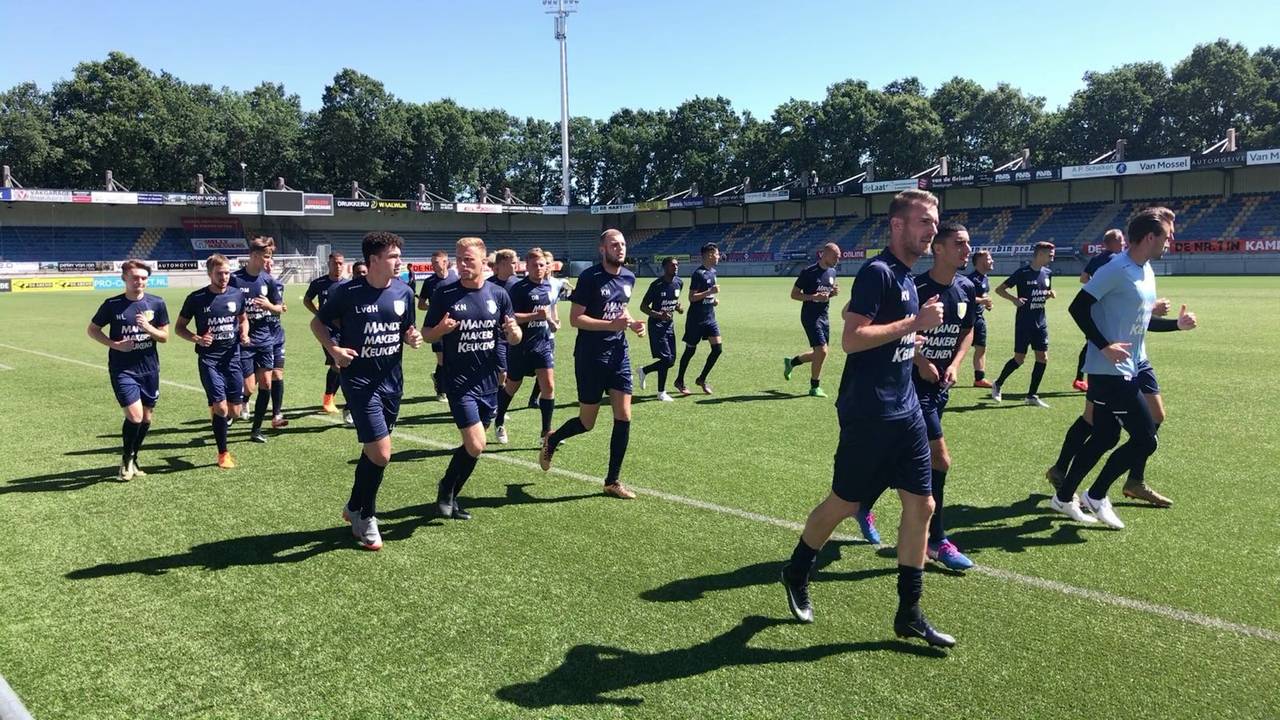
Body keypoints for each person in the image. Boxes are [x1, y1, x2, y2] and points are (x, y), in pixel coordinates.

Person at [779, 189, 954, 648]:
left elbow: (894, 340)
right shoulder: (878, 272)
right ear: (897, 225)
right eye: (923, 222)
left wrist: (917, 357)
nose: (931, 230)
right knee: (844, 503)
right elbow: (853, 340)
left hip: (907, 409)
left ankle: (909, 612)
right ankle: (797, 569)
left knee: (923, 504)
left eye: (934, 223)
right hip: (870, 413)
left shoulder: (907, 278)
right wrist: (913, 326)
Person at [1050, 208, 1196, 526]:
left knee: (1105, 436)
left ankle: (1063, 498)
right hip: (1110, 368)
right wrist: (1104, 345)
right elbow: (1078, 307)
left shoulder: (1146, 271)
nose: (1171, 241)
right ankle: (1096, 494)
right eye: (1167, 236)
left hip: (1134, 363)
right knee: (1144, 439)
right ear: (1149, 237)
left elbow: (1139, 324)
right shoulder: (1117, 268)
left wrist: (1176, 326)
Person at [312, 232, 423, 550]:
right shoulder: (346, 293)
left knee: (373, 452)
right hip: (360, 383)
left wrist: (411, 338)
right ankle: (367, 516)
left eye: (399, 255)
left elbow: (407, 329)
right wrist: (334, 350)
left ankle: (352, 506)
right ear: (373, 260)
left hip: (392, 382)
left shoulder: (404, 291)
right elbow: (318, 325)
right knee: (383, 453)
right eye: (392, 256)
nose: (399, 261)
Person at [539, 229, 646, 500]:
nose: (620, 248)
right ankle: (552, 439)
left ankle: (612, 481)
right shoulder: (590, 278)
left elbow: (620, 308)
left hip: (618, 354)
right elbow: (576, 319)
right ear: (602, 249)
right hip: (590, 356)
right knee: (587, 423)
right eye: (614, 244)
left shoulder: (629, 277)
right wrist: (611, 324)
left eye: (622, 244)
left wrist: (632, 324)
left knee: (624, 416)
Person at [423, 237, 522, 519]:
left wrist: (514, 333)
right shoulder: (445, 293)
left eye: (468, 260)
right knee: (477, 443)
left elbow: (514, 336)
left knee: (473, 447)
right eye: (459, 259)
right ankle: (446, 489)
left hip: (489, 382)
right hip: (459, 382)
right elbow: (427, 333)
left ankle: (451, 492)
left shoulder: (498, 295)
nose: (463, 265)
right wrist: (441, 328)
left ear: (483, 262)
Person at [908, 222, 977, 569]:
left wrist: (957, 364)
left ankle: (862, 501)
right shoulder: (917, 287)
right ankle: (937, 540)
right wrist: (920, 360)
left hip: (941, 388)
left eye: (968, 245)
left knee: (907, 459)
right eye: (960, 245)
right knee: (940, 459)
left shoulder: (965, 287)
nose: (967, 251)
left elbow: (967, 332)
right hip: (912, 387)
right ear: (938, 249)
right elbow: (898, 333)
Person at [86, 259, 170, 481]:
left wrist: (148, 328)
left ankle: (134, 457)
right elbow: (93, 330)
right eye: (134, 277)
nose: (139, 282)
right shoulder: (112, 304)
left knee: (146, 418)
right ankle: (126, 458)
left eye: (143, 278)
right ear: (124, 278)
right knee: (135, 415)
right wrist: (115, 345)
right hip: (123, 369)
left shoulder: (157, 303)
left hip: (150, 369)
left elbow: (164, 337)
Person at [175, 254, 249, 470]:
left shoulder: (237, 295)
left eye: (227, 273)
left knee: (236, 412)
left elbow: (243, 319)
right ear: (209, 274)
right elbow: (179, 328)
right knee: (221, 409)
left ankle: (216, 408)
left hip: (233, 358)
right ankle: (223, 453)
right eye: (219, 273)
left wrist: (244, 334)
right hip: (209, 360)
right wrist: (196, 338)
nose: (224, 277)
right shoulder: (196, 298)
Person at [495, 248, 557, 443]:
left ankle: (546, 433)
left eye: (541, 265)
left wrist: (552, 322)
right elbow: (509, 317)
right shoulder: (519, 288)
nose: (538, 268)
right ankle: (499, 421)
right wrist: (535, 316)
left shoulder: (548, 286)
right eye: (534, 265)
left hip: (543, 345)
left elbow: (548, 314)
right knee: (512, 386)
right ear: (526, 267)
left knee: (548, 386)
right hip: (520, 347)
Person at [232, 237, 286, 440]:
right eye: (266, 256)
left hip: (264, 339)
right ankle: (234, 407)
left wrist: (269, 307)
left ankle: (256, 429)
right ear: (254, 256)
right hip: (242, 341)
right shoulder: (234, 279)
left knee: (266, 384)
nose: (268, 260)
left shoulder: (269, 280)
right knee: (249, 387)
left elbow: (280, 308)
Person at [991, 241, 1056, 407]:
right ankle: (998, 383)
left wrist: (1048, 295)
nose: (1052, 257)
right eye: (1050, 255)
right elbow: (1000, 289)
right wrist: (1014, 299)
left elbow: (1041, 294)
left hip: (1040, 322)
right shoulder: (1022, 272)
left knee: (1042, 358)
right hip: (1024, 323)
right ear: (1040, 254)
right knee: (1019, 359)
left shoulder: (1048, 273)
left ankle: (1032, 395)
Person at [783, 242, 841, 397]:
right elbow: (794, 294)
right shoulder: (808, 272)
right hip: (810, 316)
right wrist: (812, 297)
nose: (838, 260)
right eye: (836, 257)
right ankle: (814, 387)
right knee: (821, 351)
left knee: (821, 353)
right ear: (826, 254)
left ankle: (792, 362)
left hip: (824, 316)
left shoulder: (832, 272)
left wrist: (832, 294)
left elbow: (826, 294)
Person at [1073, 229, 1125, 392]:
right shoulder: (1116, 260)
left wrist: (1096, 289)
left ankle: (1081, 379)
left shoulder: (1097, 258)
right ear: (1115, 241)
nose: (1124, 243)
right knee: (1101, 341)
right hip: (1109, 306)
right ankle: (1089, 378)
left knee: (1092, 340)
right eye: (1122, 240)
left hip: (1093, 303)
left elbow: (1083, 278)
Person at [674, 243, 723, 395]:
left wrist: (712, 299)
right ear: (709, 255)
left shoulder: (713, 272)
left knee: (717, 349)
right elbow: (691, 298)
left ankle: (701, 378)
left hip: (710, 317)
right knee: (690, 351)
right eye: (717, 254)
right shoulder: (698, 274)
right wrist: (710, 291)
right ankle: (679, 380)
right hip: (696, 319)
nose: (718, 256)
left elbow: (707, 296)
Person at [304, 251, 348, 414]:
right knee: (337, 364)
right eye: (335, 263)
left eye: (340, 263)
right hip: (326, 330)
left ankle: (339, 397)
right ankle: (328, 398)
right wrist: (318, 314)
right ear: (329, 264)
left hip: (345, 330)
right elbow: (307, 300)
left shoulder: (347, 285)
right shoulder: (319, 283)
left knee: (344, 364)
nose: (338, 266)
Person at [527, 251, 571, 408]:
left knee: (546, 368)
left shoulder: (556, 283)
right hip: (530, 333)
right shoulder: (532, 285)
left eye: (548, 263)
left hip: (548, 331)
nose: (546, 266)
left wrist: (555, 320)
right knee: (516, 375)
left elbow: (553, 305)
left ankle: (534, 398)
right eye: (544, 262)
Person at [637, 256, 683, 401]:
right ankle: (661, 393)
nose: (675, 267)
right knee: (666, 359)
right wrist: (658, 315)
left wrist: (677, 307)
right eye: (672, 265)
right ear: (664, 268)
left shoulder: (679, 283)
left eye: (677, 265)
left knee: (671, 361)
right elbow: (643, 306)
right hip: (656, 326)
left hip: (669, 326)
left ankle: (644, 371)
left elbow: (673, 301)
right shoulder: (656, 285)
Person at [416, 249, 458, 403]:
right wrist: (433, 308)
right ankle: (441, 390)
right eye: (432, 262)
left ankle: (441, 379)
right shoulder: (429, 282)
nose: (433, 265)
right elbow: (420, 305)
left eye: (436, 262)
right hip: (435, 327)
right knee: (442, 360)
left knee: (453, 358)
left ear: (445, 262)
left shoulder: (455, 278)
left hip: (453, 325)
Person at [262, 256, 288, 428]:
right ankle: (242, 402)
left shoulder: (278, 285)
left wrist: (278, 308)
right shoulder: (248, 285)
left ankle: (276, 415)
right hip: (258, 337)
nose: (270, 266)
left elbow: (278, 308)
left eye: (272, 264)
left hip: (276, 334)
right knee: (254, 381)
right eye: (266, 263)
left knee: (277, 374)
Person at [966, 249, 995, 388]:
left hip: (979, 318)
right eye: (989, 259)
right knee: (957, 349)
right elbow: (966, 298)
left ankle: (979, 379)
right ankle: (944, 375)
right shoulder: (971, 280)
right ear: (980, 261)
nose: (992, 261)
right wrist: (982, 301)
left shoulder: (985, 278)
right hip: (967, 319)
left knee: (981, 348)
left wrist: (987, 304)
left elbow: (982, 297)